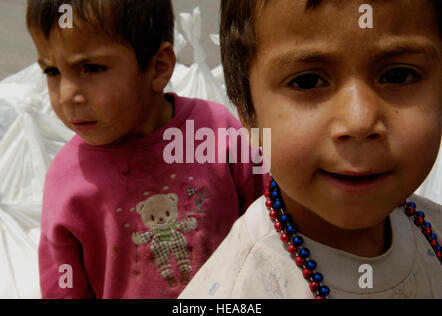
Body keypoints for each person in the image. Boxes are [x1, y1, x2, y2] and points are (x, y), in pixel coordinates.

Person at [180, 0, 442, 299]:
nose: (359, 120)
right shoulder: (236, 290)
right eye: (308, 81)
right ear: (248, 115)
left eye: (398, 75)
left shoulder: (432, 231)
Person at [27, 0, 267, 298]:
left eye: (91, 68)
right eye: (52, 72)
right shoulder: (66, 180)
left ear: (159, 67)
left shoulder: (215, 132)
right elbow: (63, 287)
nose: (66, 95)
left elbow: (274, 223)